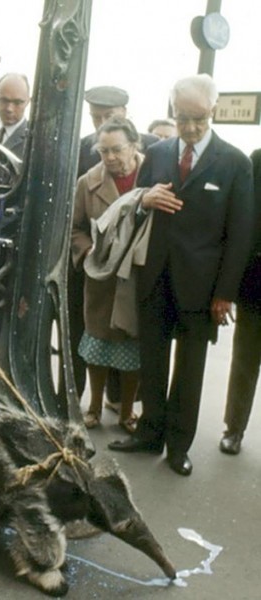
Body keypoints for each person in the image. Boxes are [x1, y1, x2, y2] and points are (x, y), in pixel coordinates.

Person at [108, 74, 254, 476]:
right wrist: (144, 200)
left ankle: (178, 445)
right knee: (151, 361)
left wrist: (225, 293)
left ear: (214, 111)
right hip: (154, 276)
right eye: (182, 117)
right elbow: (132, 207)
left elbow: (240, 235)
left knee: (190, 370)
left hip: (203, 288)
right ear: (172, 110)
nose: (189, 127)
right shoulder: (157, 152)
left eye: (199, 118)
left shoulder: (235, 162)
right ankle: (149, 433)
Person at [71, 117, 143, 434]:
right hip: (100, 279)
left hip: (137, 278)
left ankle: (128, 412)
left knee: (132, 346)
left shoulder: (152, 175)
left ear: (134, 145)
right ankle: (94, 407)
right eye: (103, 151)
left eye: (117, 150)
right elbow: (73, 227)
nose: (110, 158)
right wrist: (87, 251)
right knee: (96, 344)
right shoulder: (88, 183)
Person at [219, 147, 261, 455]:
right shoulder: (257, 160)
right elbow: (244, 218)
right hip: (257, 281)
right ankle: (234, 429)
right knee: (246, 360)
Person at [0, 73, 30, 160]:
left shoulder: (33, 141)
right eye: (4, 101)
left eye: (17, 103)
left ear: (28, 102)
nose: (9, 109)